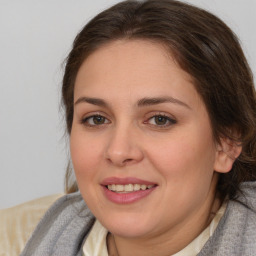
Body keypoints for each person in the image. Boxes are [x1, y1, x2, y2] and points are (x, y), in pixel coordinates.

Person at [16, 0, 256, 255]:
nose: (118, 151)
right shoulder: (34, 235)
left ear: (227, 143)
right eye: (96, 119)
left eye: (159, 119)